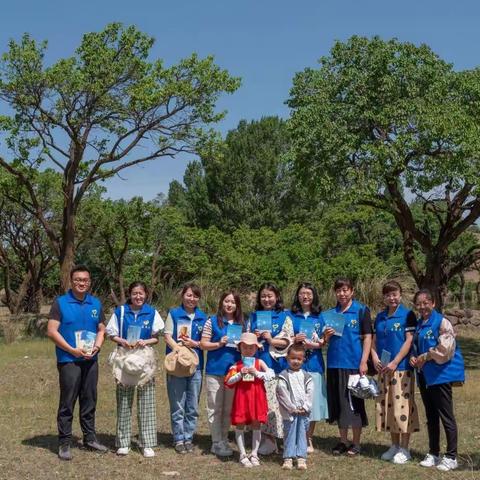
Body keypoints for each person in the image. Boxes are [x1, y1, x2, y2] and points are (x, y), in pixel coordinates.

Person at [47, 265, 107, 460]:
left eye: (85, 280)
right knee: (68, 401)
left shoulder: (96, 304)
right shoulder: (60, 303)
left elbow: (101, 328)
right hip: (69, 360)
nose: (82, 283)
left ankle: (89, 438)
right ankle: (64, 442)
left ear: (90, 282)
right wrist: (71, 349)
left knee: (89, 399)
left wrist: (97, 347)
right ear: (71, 281)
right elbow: (52, 331)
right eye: (78, 280)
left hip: (91, 360)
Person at [106, 281, 164, 458]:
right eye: (134, 293)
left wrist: (145, 341)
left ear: (146, 294)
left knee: (146, 402)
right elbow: (111, 334)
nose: (138, 297)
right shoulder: (121, 312)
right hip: (125, 359)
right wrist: (121, 340)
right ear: (129, 295)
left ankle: (147, 443)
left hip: (145, 360)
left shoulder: (152, 312)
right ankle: (123, 442)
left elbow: (156, 338)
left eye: (141, 293)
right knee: (124, 401)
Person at [410, 289, 465, 472]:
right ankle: (433, 453)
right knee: (431, 417)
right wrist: (414, 356)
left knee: (446, 416)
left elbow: (446, 349)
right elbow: (416, 347)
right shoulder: (419, 324)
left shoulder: (442, 322)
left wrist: (425, 356)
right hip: (425, 377)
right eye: (419, 303)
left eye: (426, 302)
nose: (422, 306)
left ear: (433, 303)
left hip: (441, 377)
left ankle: (451, 456)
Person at [370, 280, 419, 464]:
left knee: (402, 408)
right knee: (387, 407)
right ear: (384, 297)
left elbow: (408, 341)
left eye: (395, 294)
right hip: (383, 369)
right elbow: (374, 341)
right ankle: (394, 445)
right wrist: (374, 358)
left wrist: (395, 362)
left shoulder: (408, 315)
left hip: (401, 369)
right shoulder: (380, 317)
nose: (392, 297)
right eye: (388, 294)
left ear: (400, 294)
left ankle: (405, 449)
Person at [325, 277, 373, 456]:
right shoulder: (331, 314)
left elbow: (368, 337)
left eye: (345, 290)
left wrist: (363, 361)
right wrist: (326, 336)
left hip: (353, 364)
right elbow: (323, 340)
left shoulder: (361, 310)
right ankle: (343, 441)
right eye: (339, 290)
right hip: (334, 364)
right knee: (339, 403)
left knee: (354, 404)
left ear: (352, 291)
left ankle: (356, 443)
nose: (342, 293)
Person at [200, 290, 246, 457]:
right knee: (215, 407)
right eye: (226, 301)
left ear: (237, 305)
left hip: (233, 372)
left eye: (233, 302)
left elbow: (247, 347)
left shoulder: (243, 323)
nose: (229, 304)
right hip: (215, 371)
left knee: (228, 409)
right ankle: (216, 441)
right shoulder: (212, 321)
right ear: (221, 303)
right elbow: (203, 344)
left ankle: (224, 438)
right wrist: (218, 343)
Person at [164, 283, 207, 454]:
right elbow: (167, 336)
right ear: (183, 295)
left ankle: (188, 437)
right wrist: (179, 350)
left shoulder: (203, 317)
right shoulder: (174, 314)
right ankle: (178, 438)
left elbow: (205, 341)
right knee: (177, 404)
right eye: (189, 295)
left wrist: (194, 344)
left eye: (195, 296)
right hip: (176, 366)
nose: (192, 299)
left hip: (195, 367)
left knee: (193, 406)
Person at [287, 282, 329, 453]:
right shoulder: (290, 315)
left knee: (312, 403)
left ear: (314, 296)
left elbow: (325, 340)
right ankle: (294, 436)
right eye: (302, 293)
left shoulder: (321, 317)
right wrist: (295, 338)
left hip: (314, 364)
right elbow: (285, 337)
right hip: (295, 364)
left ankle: (307, 438)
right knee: (294, 401)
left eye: (309, 293)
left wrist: (321, 343)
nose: (305, 296)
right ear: (298, 295)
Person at [249, 283, 291, 455]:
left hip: (279, 367)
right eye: (263, 296)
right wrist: (255, 338)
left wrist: (271, 339)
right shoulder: (253, 317)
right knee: (263, 404)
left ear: (277, 297)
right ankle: (268, 439)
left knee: (281, 405)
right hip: (259, 366)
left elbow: (289, 341)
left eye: (270, 296)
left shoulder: (284, 316)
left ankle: (285, 439)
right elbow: (245, 339)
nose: (266, 299)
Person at [225, 332, 273, 467]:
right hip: (242, 397)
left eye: (251, 347)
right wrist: (240, 374)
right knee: (240, 423)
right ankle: (242, 454)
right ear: (239, 348)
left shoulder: (260, 362)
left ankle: (254, 453)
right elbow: (229, 381)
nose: (248, 350)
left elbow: (270, 375)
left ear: (257, 348)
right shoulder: (237, 365)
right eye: (245, 347)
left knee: (256, 423)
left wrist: (257, 373)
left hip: (257, 397)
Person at [276, 344, 314, 471]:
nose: (296, 361)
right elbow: (282, 392)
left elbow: (310, 392)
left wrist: (305, 407)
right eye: (293, 358)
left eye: (299, 359)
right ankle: (288, 458)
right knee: (290, 433)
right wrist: (291, 407)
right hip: (290, 412)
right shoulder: (284, 375)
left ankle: (301, 457)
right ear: (287, 358)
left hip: (303, 412)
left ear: (303, 359)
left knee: (302, 433)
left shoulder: (306, 376)